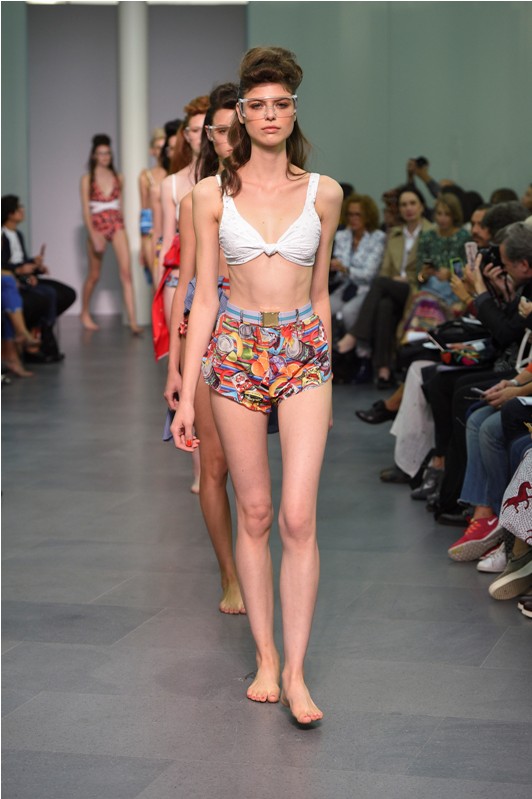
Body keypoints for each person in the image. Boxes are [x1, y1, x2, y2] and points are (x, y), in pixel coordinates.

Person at [171, 47, 343, 724]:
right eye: (259, 105)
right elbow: (203, 298)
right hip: (236, 347)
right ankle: (266, 656)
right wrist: (186, 391)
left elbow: (321, 292)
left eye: (282, 104)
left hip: (303, 349)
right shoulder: (209, 195)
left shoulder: (324, 192)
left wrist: (326, 373)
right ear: (241, 113)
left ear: (294, 111)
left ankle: (297, 672)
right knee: (257, 512)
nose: (271, 115)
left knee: (299, 516)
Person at [164, 82, 245, 614]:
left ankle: (254, 562)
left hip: (268, 329)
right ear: (209, 136)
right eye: (219, 130)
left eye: (235, 129)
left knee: (257, 468)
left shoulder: (284, 191)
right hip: (210, 328)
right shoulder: (199, 197)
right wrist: (175, 368)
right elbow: (187, 282)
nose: (227, 138)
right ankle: (229, 573)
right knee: (214, 463)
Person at [335, 186, 433, 387]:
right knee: (384, 305)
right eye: (404, 205)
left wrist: (406, 278)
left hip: (417, 287)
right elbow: (385, 269)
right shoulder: (395, 234)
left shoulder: (431, 233)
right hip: (391, 286)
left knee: (379, 283)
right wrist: (392, 280)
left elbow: (428, 268)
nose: (408, 208)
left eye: (412, 203)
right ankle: (383, 370)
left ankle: (354, 335)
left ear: (422, 206)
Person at [80, 134, 142, 334]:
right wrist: (93, 234)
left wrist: (122, 226)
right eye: (100, 153)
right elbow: (86, 210)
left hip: (116, 223)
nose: (104, 157)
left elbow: (120, 205)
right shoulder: (87, 179)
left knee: (126, 273)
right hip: (97, 225)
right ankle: (84, 313)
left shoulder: (118, 177)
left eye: (107, 153)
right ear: (94, 155)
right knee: (94, 275)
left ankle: (133, 322)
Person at [1, 194, 76, 361]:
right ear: (9, 213)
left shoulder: (18, 235)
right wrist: (20, 270)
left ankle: (42, 330)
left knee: (67, 293)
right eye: (18, 208)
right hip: (14, 280)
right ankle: (41, 342)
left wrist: (35, 265)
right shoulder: (2, 236)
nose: (22, 210)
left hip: (26, 277)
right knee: (48, 294)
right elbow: (4, 265)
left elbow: (20, 260)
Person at [328, 193, 385, 331]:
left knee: (348, 312)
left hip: (366, 289)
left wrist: (344, 269)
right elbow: (338, 276)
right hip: (344, 287)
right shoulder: (342, 236)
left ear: (368, 216)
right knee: (322, 309)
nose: (353, 219)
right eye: (350, 214)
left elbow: (369, 275)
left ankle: (358, 344)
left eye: (358, 215)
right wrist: (332, 270)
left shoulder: (378, 237)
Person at [138, 128, 167, 284]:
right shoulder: (145, 176)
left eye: (163, 147)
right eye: (157, 147)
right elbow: (144, 211)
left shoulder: (175, 172)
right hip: (151, 231)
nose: (161, 151)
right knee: (156, 283)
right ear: (152, 151)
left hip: (172, 229)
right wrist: (142, 246)